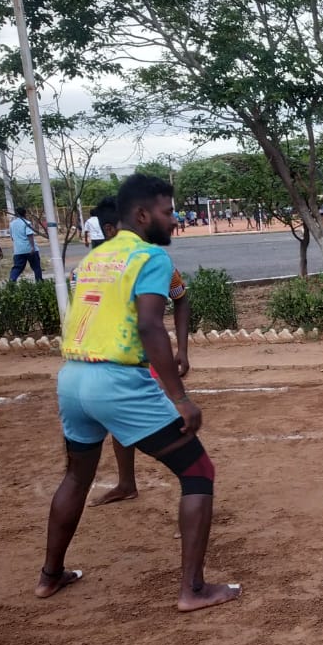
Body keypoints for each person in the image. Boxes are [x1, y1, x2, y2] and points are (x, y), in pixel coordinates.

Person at [40, 173, 239, 612]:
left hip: (72, 377)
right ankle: (193, 590)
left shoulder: (95, 257)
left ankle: (49, 577)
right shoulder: (149, 257)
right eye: (168, 213)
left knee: (76, 475)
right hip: (116, 381)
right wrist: (180, 397)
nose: (175, 220)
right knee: (198, 472)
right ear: (143, 214)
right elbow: (150, 325)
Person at [79, 197, 193, 508]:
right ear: (110, 229)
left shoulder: (148, 261)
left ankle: (195, 489)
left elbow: (180, 297)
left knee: (177, 425)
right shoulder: (97, 265)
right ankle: (127, 483)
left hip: (143, 361)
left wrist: (181, 349)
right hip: (110, 365)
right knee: (118, 421)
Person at [8, 206, 44, 282]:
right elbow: (30, 235)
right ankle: (39, 282)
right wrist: (32, 247)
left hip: (18, 250)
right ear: (25, 214)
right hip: (29, 248)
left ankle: (11, 281)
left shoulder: (12, 224)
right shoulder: (27, 223)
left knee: (17, 268)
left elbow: (12, 237)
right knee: (36, 267)